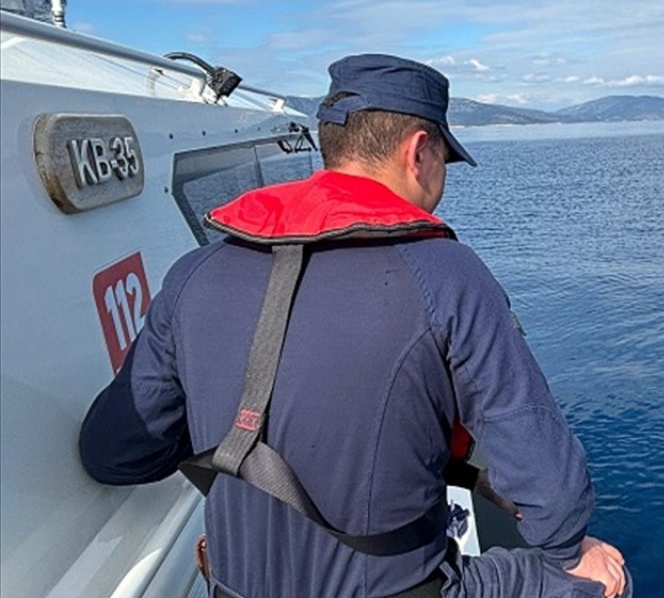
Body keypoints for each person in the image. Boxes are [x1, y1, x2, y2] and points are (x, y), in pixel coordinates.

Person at [79, 55, 627, 598]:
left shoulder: (193, 272)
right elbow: (554, 502)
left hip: (233, 589)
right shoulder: (450, 277)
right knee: (597, 575)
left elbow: (115, 454)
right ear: (418, 151)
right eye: (443, 160)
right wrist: (570, 548)